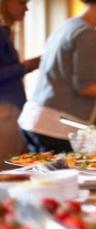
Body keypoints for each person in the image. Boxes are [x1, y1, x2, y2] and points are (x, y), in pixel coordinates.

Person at [18, 0, 96, 153]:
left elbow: (72, 73)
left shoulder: (68, 26)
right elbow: (85, 86)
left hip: (35, 118)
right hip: (57, 124)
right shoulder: (88, 33)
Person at [0, 0, 39, 169]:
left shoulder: (5, 31)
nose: (26, 8)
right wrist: (27, 66)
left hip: (11, 108)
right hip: (4, 109)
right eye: (22, 3)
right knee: (7, 172)